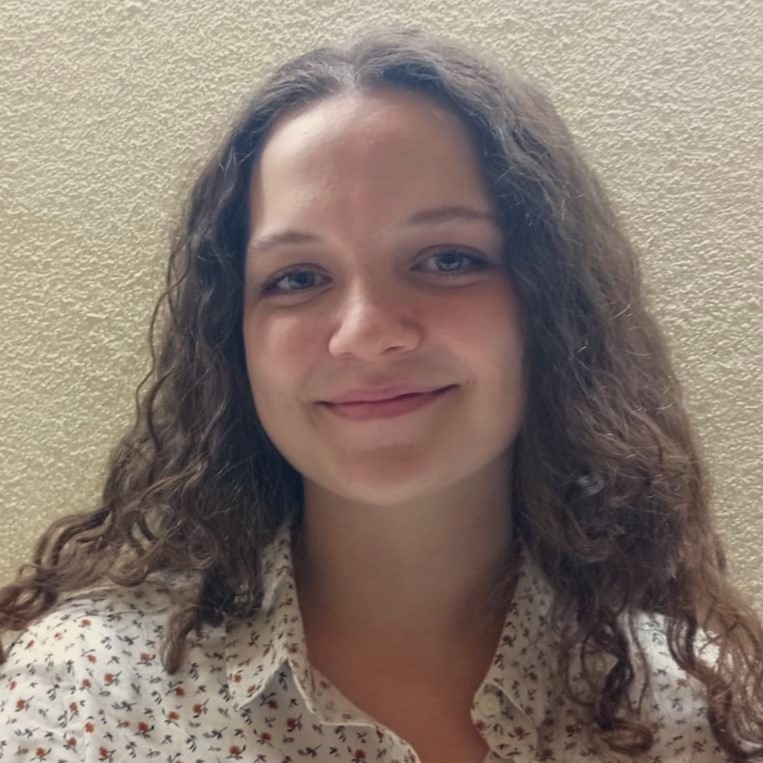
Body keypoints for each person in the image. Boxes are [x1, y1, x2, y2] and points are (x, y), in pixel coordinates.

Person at [0, 24, 761, 763]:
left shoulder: (699, 714)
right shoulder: (85, 695)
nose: (365, 332)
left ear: (554, 308)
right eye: (298, 277)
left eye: (448, 259)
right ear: (233, 342)